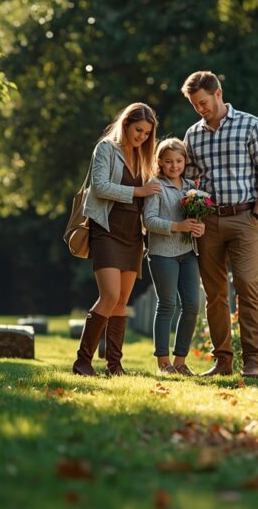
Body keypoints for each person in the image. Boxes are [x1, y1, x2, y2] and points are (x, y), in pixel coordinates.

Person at [180, 70, 258, 378]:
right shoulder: (193, 134)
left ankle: (252, 360)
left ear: (218, 93)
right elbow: (187, 180)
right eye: (195, 105)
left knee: (248, 286)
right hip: (208, 222)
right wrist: (193, 211)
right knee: (215, 293)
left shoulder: (250, 124)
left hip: (245, 217)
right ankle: (223, 360)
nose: (200, 109)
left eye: (203, 102)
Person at [72, 102, 161, 376]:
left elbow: (152, 194)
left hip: (133, 234)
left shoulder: (143, 156)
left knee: (122, 301)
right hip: (106, 229)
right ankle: (82, 361)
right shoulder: (106, 149)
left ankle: (115, 366)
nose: (142, 137)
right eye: (138, 130)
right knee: (109, 296)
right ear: (125, 124)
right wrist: (138, 192)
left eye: (147, 133)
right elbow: (99, 187)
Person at [143, 138, 205, 375]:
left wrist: (200, 228)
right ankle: (163, 363)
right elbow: (149, 221)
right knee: (168, 304)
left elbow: (197, 220)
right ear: (159, 162)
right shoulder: (155, 185)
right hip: (162, 254)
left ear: (184, 161)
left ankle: (180, 362)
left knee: (192, 305)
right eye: (168, 161)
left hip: (188, 253)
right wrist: (178, 227)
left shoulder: (192, 187)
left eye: (179, 161)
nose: (174, 166)